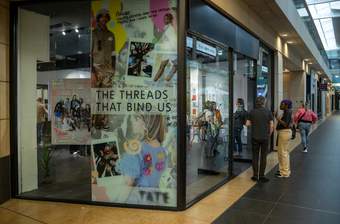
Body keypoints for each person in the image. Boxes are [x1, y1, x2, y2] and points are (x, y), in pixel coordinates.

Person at [246, 96, 274, 182]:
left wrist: (254, 126)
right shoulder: (268, 112)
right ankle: (261, 176)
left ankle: (255, 176)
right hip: (265, 137)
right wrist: (269, 134)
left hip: (255, 137)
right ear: (264, 102)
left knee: (255, 156)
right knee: (263, 157)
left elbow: (247, 124)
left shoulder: (252, 112)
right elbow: (272, 125)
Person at [275, 99, 293, 178]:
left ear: (286, 105)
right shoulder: (286, 112)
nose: (280, 105)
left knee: (283, 153)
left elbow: (285, 124)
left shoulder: (288, 112)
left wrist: (277, 118)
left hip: (284, 132)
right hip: (284, 133)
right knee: (282, 152)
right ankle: (283, 170)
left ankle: (285, 172)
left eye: (282, 104)